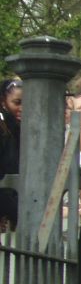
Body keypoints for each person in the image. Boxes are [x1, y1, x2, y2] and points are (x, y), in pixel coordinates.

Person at [0, 79, 23, 230]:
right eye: (17, 102)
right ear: (3, 102)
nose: (22, 108)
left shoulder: (19, 129)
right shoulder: (3, 130)